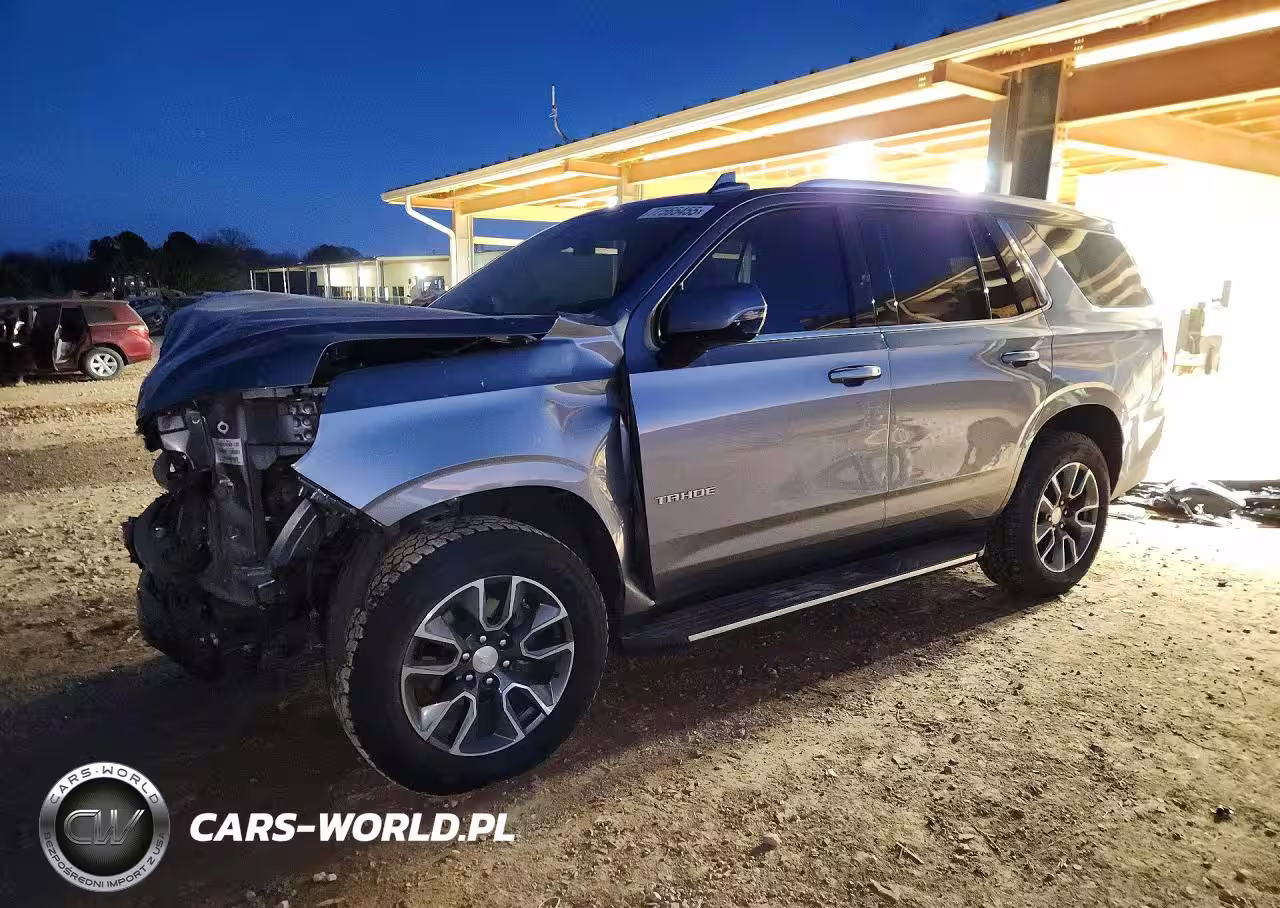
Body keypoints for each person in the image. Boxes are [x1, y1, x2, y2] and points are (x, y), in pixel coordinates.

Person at [1200, 298, 1228, 375]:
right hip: (1219, 336)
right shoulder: (1224, 310)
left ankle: (1201, 371)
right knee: (1215, 356)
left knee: (1203, 355)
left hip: (1207, 334)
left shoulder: (1208, 308)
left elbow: (1202, 317)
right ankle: (1213, 373)